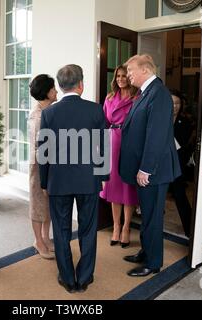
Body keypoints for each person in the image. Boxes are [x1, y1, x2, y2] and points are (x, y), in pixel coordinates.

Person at [38, 64, 108, 293]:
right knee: (88, 229)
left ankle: (68, 278)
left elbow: (44, 152)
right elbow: (103, 148)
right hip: (88, 180)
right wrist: (103, 176)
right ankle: (85, 278)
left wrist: (44, 182)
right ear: (81, 85)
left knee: (61, 230)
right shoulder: (96, 110)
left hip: (58, 182)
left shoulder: (48, 113)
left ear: (59, 86)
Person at [119, 54, 181, 277]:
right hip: (146, 168)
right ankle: (146, 252)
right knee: (146, 214)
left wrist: (146, 169)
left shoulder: (159, 94)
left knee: (153, 217)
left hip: (154, 171)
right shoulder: (146, 92)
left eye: (132, 71)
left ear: (145, 70)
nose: (128, 75)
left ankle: (153, 263)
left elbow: (156, 135)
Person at [99, 65, 139, 248]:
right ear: (115, 79)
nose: (121, 79)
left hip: (130, 142)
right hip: (112, 143)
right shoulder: (109, 98)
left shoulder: (137, 98)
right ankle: (116, 226)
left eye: (124, 76)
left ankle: (126, 228)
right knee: (114, 186)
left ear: (130, 78)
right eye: (118, 76)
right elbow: (104, 122)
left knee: (128, 187)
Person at [28, 74, 58, 260]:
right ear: (46, 92)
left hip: (51, 162)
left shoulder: (51, 110)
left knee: (48, 203)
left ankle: (46, 237)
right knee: (38, 202)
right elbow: (41, 147)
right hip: (39, 164)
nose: (56, 91)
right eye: (53, 88)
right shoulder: (37, 116)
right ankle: (38, 240)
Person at [169, 90, 195, 237]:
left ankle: (190, 230)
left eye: (177, 103)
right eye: (172, 103)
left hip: (178, 163)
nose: (175, 106)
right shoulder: (159, 119)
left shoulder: (184, 122)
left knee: (180, 196)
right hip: (161, 165)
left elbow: (183, 145)